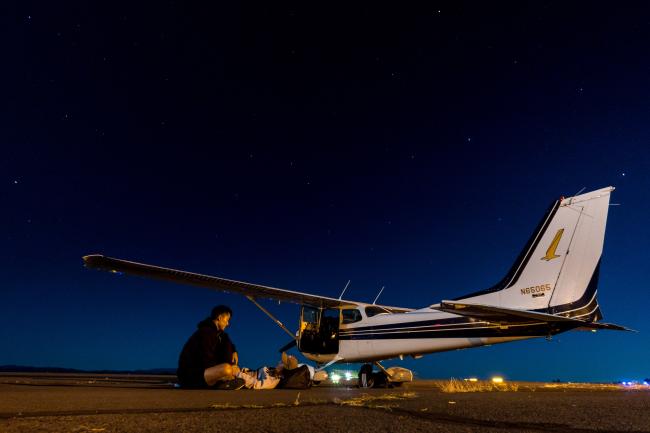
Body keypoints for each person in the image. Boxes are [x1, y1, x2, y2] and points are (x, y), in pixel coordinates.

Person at [177, 305, 244, 389]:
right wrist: (226, 370)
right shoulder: (205, 333)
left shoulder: (219, 334)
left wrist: (234, 351)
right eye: (227, 320)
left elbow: (227, 342)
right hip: (190, 376)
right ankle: (222, 382)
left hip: (204, 372)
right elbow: (205, 360)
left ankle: (224, 381)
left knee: (232, 368)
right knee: (227, 369)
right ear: (219, 318)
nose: (228, 324)